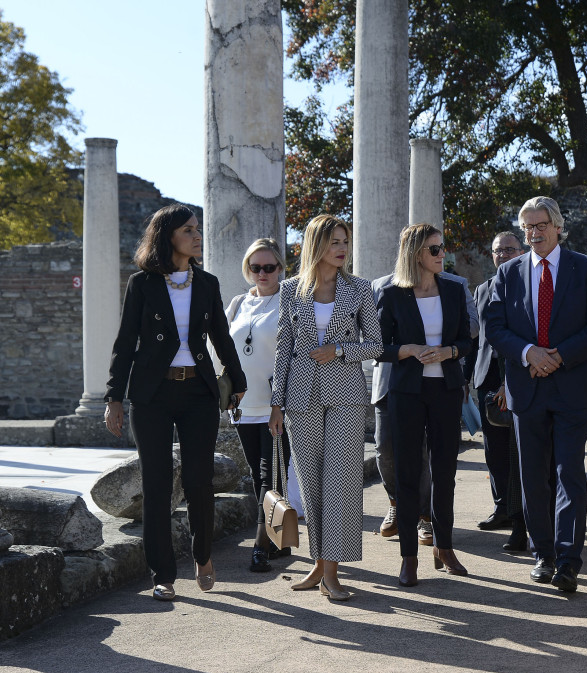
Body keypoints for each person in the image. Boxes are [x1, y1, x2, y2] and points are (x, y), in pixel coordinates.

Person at [104, 204, 246, 602]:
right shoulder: (142, 284)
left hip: (198, 393)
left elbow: (221, 336)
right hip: (152, 395)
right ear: (168, 235)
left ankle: (202, 556)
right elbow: (124, 342)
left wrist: (237, 378)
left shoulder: (207, 283)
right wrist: (114, 396)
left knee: (200, 480)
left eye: (198, 228)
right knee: (156, 483)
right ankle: (162, 574)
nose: (197, 235)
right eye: (189, 229)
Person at [483, 196, 587, 593]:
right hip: (526, 386)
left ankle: (568, 561)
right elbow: (495, 325)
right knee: (533, 476)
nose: (533, 233)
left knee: (569, 473)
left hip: (571, 386)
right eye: (527, 227)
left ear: (557, 226)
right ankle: (543, 554)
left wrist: (558, 356)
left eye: (540, 226)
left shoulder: (585, 270)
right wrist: (528, 353)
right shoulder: (509, 274)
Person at [269, 214, 382, 602]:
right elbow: (284, 348)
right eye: (335, 241)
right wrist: (276, 403)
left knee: (341, 484)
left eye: (345, 241)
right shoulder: (290, 290)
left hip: (346, 393)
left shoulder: (360, 289)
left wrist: (340, 350)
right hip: (300, 396)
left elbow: (377, 345)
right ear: (317, 244)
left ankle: (333, 571)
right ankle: (318, 563)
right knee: (312, 484)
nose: (342, 248)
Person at [376, 223, 473, 587]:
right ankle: (408, 558)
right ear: (415, 253)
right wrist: (408, 350)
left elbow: (465, 340)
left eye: (442, 247)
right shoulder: (392, 294)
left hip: (446, 390)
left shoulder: (453, 289)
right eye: (434, 249)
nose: (441, 254)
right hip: (406, 393)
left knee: (445, 471)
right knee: (406, 474)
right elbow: (378, 347)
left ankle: (444, 548)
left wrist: (449, 351)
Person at [224, 238, 291, 572]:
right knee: (258, 474)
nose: (262, 273)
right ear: (247, 269)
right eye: (256, 267)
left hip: (277, 405)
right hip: (242, 405)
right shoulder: (237, 304)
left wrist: (280, 401)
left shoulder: (289, 301)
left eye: (269, 267)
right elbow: (220, 350)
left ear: (280, 267)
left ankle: (261, 545)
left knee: (271, 474)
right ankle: (281, 539)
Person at [469, 232, 526, 548]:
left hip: (515, 378)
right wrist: (467, 381)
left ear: (521, 252)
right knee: (494, 450)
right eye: (497, 250)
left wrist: (509, 382)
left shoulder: (526, 285)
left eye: (509, 249)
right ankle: (502, 507)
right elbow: (477, 340)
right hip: (485, 379)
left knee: (519, 450)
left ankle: (524, 513)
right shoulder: (482, 288)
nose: (503, 254)